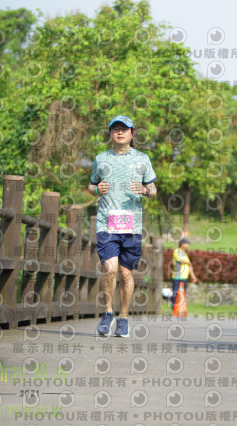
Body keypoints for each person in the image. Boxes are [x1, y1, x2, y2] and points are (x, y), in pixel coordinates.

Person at [89, 115, 157, 338]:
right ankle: (107, 313)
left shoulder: (142, 159)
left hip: (132, 224)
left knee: (127, 275)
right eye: (115, 129)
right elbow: (91, 186)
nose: (120, 132)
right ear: (110, 133)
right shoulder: (100, 159)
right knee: (109, 269)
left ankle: (123, 318)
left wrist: (145, 191)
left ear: (132, 133)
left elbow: (153, 190)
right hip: (106, 221)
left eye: (124, 129)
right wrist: (98, 189)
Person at [171, 238, 201, 306]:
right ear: (182, 244)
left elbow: (189, 266)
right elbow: (180, 261)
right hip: (177, 276)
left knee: (183, 293)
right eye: (187, 244)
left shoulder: (185, 254)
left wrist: (193, 277)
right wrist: (188, 263)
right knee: (176, 293)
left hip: (184, 277)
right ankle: (174, 307)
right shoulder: (177, 251)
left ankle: (180, 307)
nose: (188, 246)